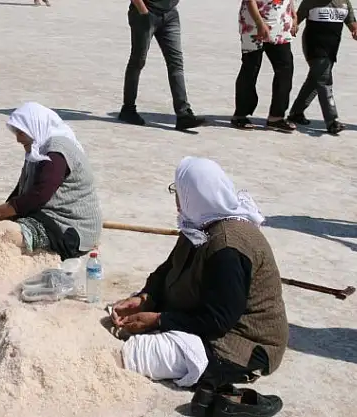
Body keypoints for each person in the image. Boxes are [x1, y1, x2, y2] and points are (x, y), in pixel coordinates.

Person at [109, 157, 288, 417]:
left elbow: (219, 320)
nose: (176, 199)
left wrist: (159, 320)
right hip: (205, 323)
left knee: (139, 354)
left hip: (240, 343)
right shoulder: (200, 225)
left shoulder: (228, 247)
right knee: (130, 329)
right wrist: (145, 298)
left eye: (178, 191)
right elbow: (168, 270)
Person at [0, 102, 102, 261]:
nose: (18, 139)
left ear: (35, 127)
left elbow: (40, 194)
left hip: (70, 227)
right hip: (48, 216)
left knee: (7, 235)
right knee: (2, 225)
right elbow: (22, 191)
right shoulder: (38, 149)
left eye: (21, 132)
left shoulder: (56, 151)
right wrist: (3, 212)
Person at [118, 0, 206, 131]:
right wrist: (143, 12)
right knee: (138, 61)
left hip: (170, 14)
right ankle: (128, 109)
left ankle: (183, 114)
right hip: (146, 12)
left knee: (176, 63)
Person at [287, 0, 357, 135]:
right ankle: (332, 121)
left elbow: (352, 23)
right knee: (324, 79)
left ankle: (296, 112)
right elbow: (295, 19)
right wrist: (293, 26)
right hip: (314, 46)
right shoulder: (310, 2)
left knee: (315, 80)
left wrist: (355, 30)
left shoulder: (344, 2)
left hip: (331, 49)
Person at [232, 0, 298, 132]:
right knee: (251, 68)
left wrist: (294, 14)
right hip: (254, 23)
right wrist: (259, 23)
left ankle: (276, 117)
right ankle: (240, 114)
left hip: (280, 21)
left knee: (286, 68)